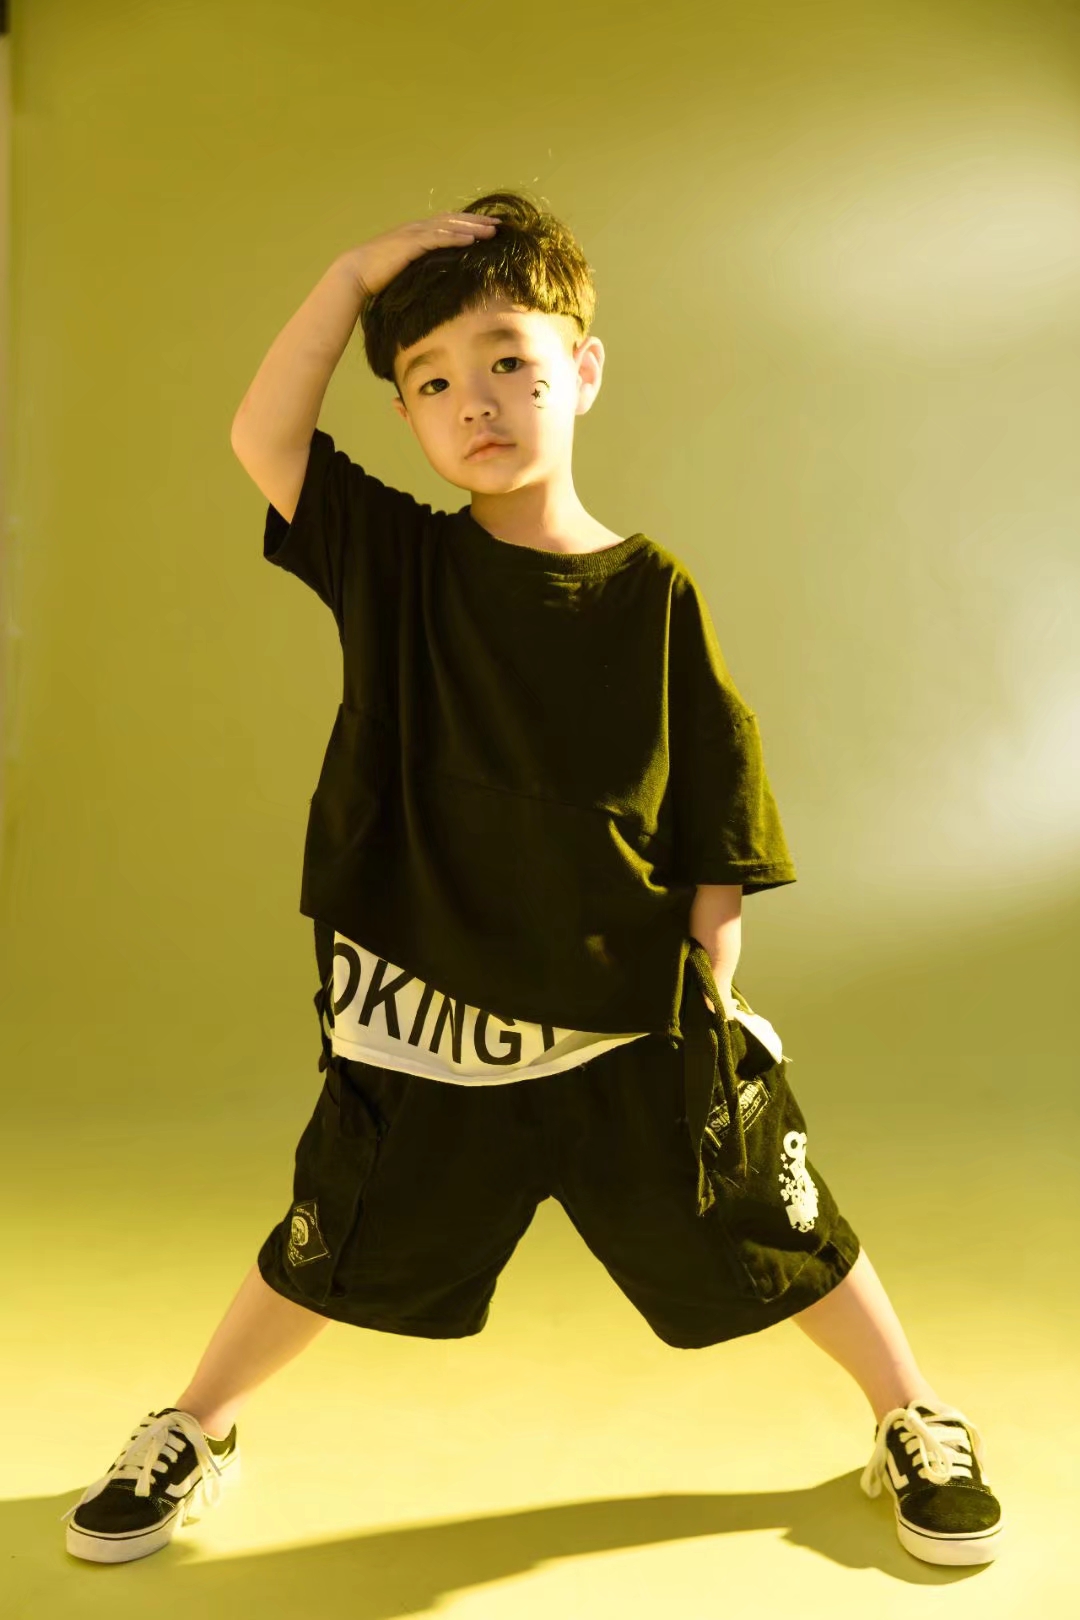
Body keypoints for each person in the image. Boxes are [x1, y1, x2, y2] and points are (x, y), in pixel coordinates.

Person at [62, 191, 1003, 1570]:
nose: (476, 401)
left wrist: (714, 952)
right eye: (432, 380)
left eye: (508, 357)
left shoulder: (652, 590)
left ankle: (913, 1412)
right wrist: (353, 273)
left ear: (583, 369)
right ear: (406, 414)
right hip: (435, 1017)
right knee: (329, 1237)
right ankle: (197, 1424)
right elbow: (264, 436)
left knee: (774, 1217)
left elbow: (716, 781)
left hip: (625, 1014)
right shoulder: (394, 562)